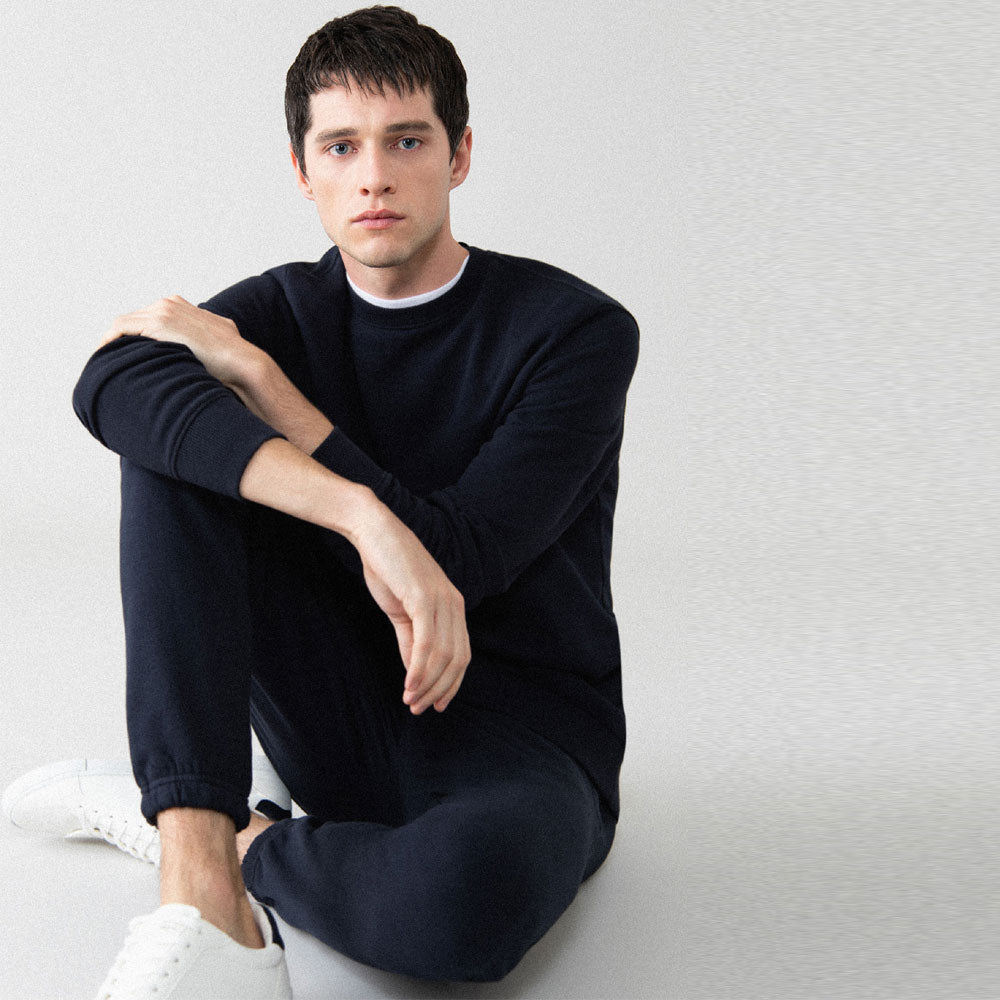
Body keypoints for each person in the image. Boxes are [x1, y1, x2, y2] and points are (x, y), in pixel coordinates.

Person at [2, 6, 639, 997]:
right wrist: (360, 514)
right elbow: (115, 381)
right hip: (331, 713)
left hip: (519, 737)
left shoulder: (575, 333)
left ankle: (225, 830)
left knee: (460, 908)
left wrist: (267, 386)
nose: (373, 176)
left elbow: (459, 562)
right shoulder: (279, 309)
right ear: (304, 171)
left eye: (406, 141)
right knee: (175, 450)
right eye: (341, 146)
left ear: (460, 155)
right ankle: (201, 887)